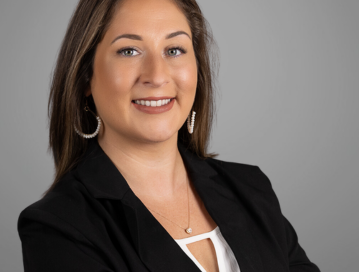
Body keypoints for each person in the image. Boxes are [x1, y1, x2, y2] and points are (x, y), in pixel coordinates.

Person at [17, 0, 321, 271]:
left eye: (174, 50)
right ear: (86, 76)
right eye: (129, 50)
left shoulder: (252, 189)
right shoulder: (58, 226)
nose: (157, 75)